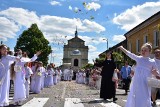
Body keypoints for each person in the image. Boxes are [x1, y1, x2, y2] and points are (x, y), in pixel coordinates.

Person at [119, 43, 159, 107]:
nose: (143, 52)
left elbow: (157, 73)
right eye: (142, 50)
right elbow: (129, 54)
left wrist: (155, 73)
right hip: (137, 82)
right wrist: (121, 48)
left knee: (145, 97)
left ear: (149, 51)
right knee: (136, 96)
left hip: (145, 83)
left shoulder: (152, 61)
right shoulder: (139, 58)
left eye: (145, 50)